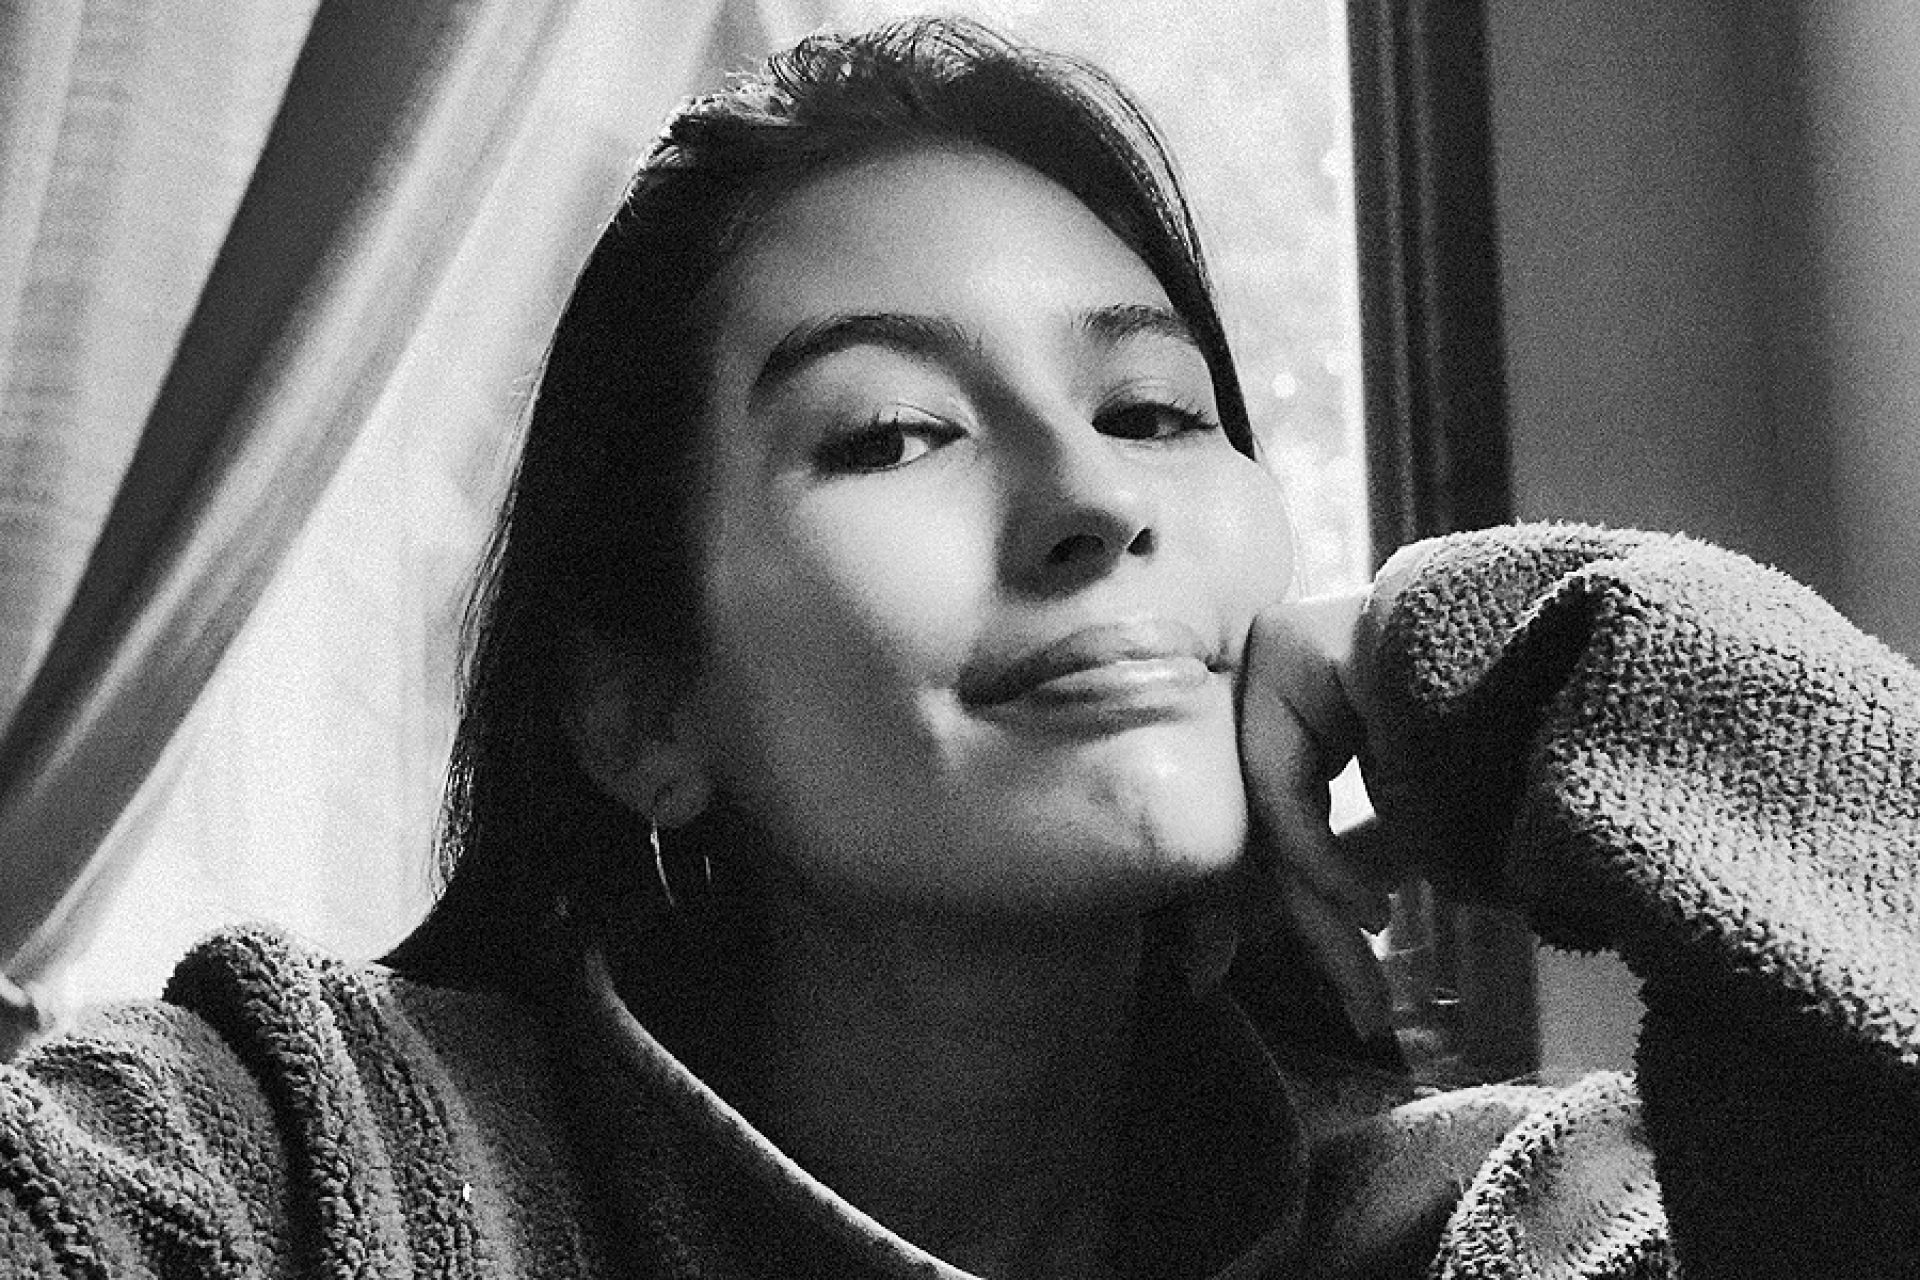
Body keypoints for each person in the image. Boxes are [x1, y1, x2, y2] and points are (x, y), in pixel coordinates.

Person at [3, 16, 1917, 1279]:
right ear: (640, 705)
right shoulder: (278, 1161)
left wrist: (1532, 662)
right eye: (897, 433)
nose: (1090, 500)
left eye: (1154, 411)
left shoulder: (1500, 1233)